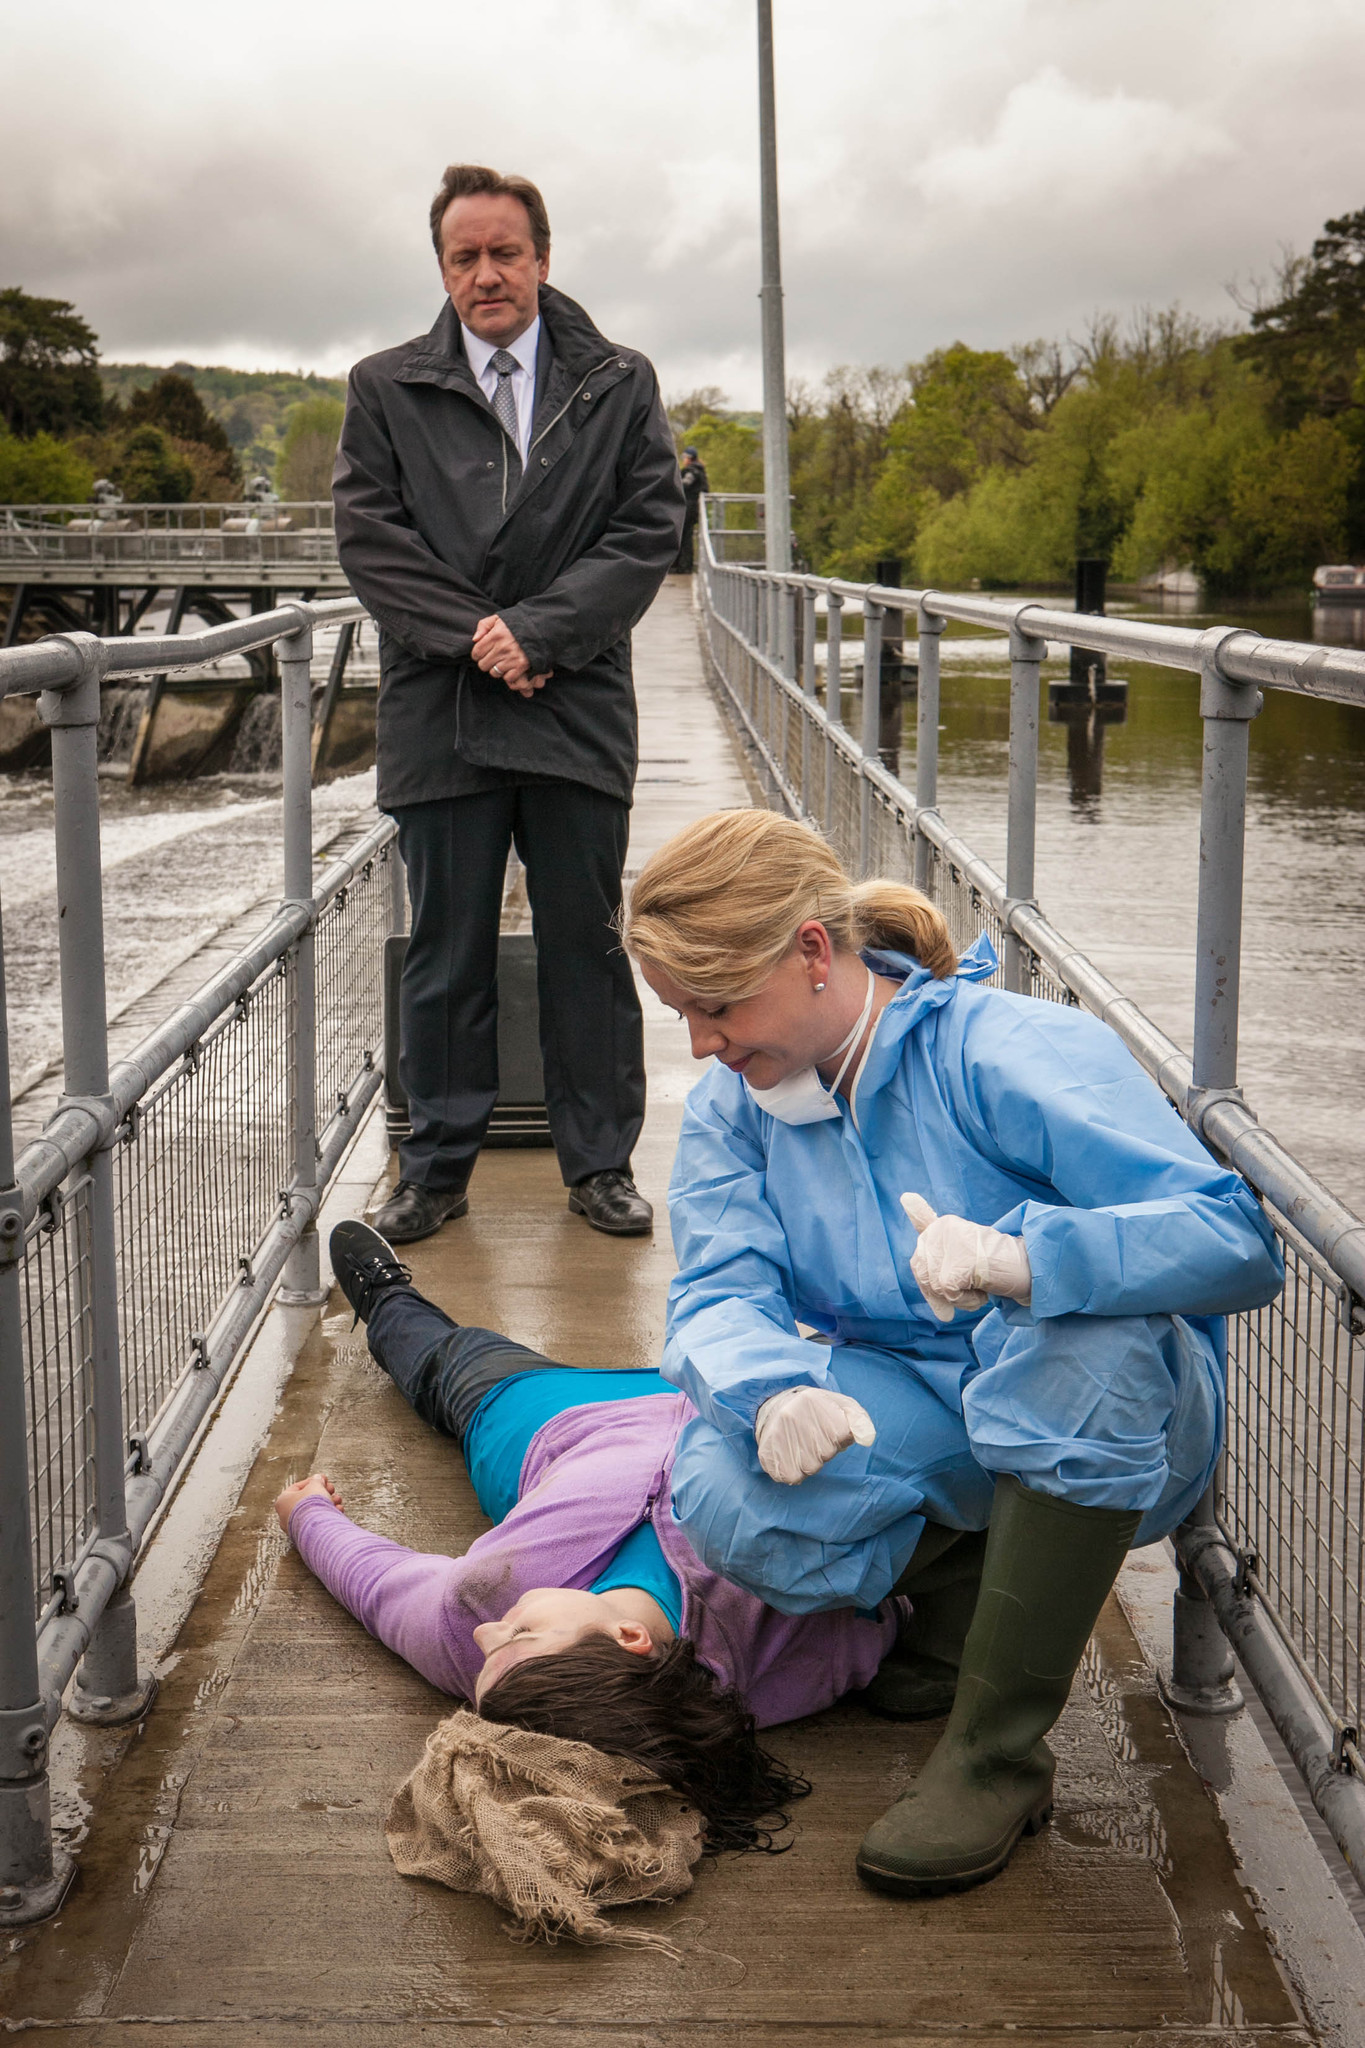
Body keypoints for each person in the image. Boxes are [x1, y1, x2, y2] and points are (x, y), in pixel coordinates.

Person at [621, 809, 1284, 1899]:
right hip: (931, 1397)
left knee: (1083, 1347)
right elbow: (714, 1290)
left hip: (1122, 1417)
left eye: (718, 1006)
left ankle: (996, 1753)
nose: (702, 1042)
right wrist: (769, 1383)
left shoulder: (1007, 1049)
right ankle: (975, 1594)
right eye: (683, 1013)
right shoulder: (737, 1109)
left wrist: (1030, 1257)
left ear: (813, 951)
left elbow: (1235, 1242)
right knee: (724, 1490)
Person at [279, 1219, 974, 1855]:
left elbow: (375, 1588)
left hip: (548, 1420)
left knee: (439, 1359)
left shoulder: (468, 1625)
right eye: (518, 1640)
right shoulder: (802, 1660)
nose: (488, 1636)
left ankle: (387, 1297)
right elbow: (923, 1570)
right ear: (628, 1643)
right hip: (774, 1406)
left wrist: (306, 1514)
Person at [333, 164, 684, 1245]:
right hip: (443, 708)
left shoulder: (617, 382)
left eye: (505, 252)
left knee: (587, 940)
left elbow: (645, 531)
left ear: (542, 256)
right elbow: (373, 541)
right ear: (442, 268)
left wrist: (540, 633)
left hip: (573, 699)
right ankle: (433, 1171)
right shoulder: (385, 385)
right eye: (465, 257)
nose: (487, 274)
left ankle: (600, 1165)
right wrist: (481, 639)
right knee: (447, 948)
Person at [673, 446, 709, 573]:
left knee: (682, 536)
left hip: (689, 507)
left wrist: (672, 484)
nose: (683, 460)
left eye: (685, 457)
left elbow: (685, 483)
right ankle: (683, 566)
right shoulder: (699, 470)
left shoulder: (692, 471)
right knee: (686, 536)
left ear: (689, 458)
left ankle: (682, 566)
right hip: (693, 508)